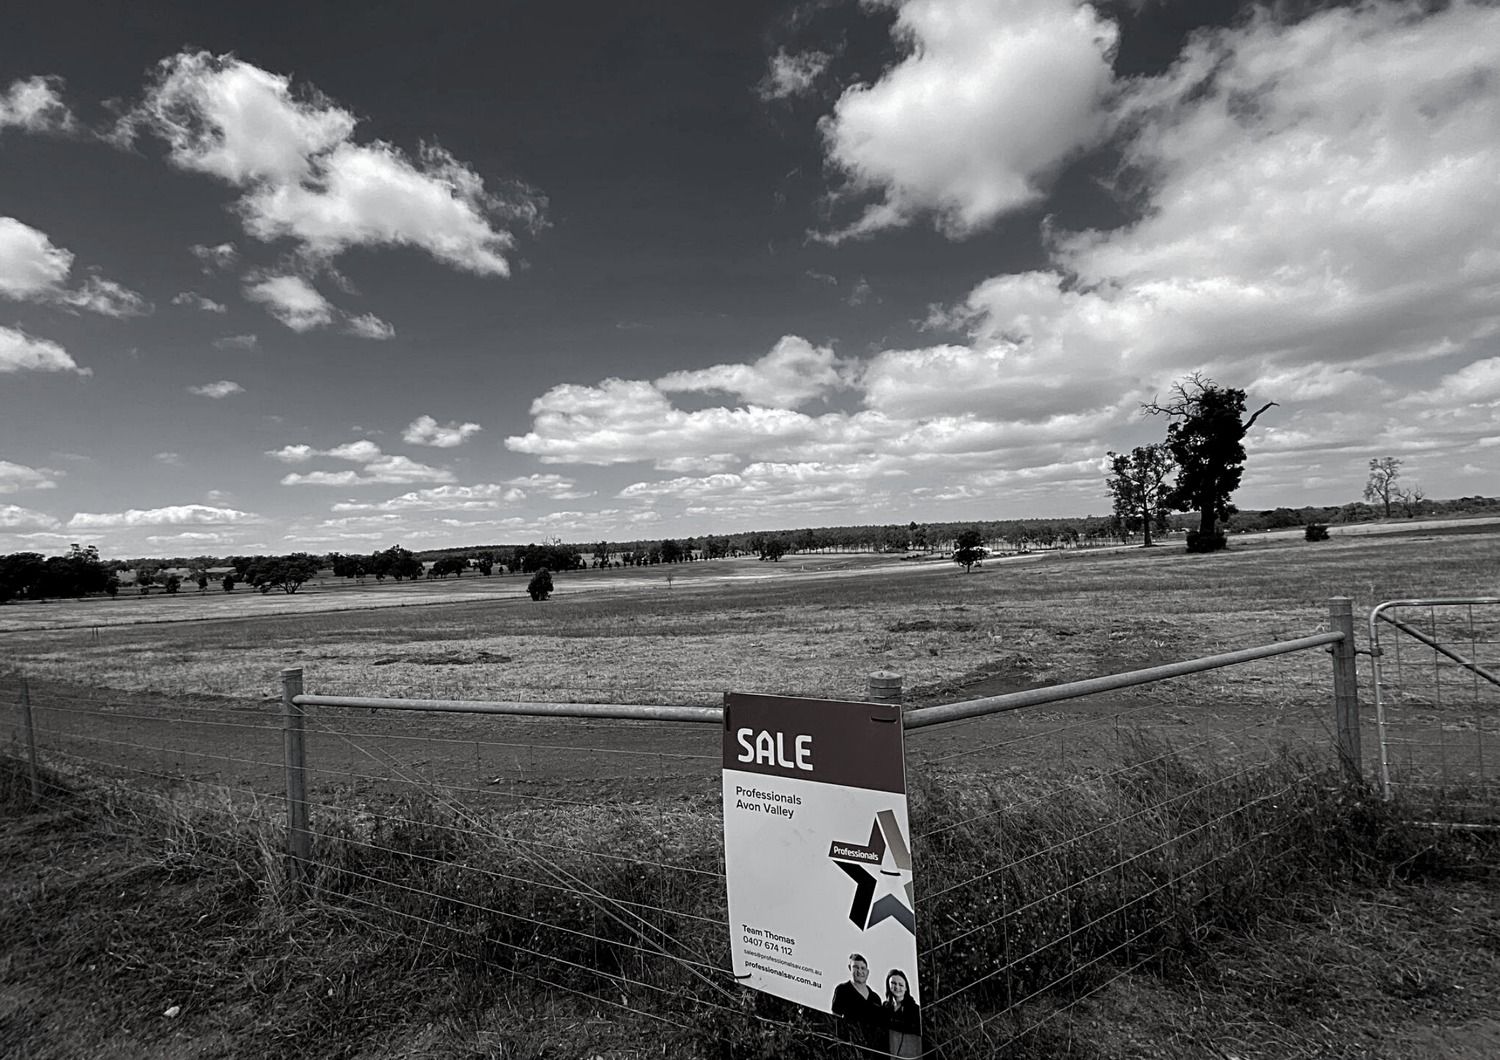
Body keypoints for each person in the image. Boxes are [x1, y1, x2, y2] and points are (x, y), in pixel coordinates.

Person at [831, 953, 885, 1056]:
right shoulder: (842, 990)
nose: (860, 971)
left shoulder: (875, 998)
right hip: (849, 1048)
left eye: (863, 968)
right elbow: (835, 1017)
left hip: (872, 1051)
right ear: (849, 968)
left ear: (867, 972)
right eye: (856, 967)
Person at [883, 969, 922, 1059]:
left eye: (901, 985)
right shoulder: (885, 1007)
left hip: (909, 1053)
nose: (897, 987)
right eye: (893, 983)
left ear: (906, 988)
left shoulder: (914, 1009)